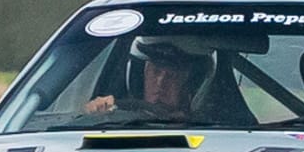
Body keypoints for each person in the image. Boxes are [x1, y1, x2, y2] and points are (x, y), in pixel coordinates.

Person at [85, 37, 213, 121]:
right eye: (155, 72)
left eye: (172, 76)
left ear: (192, 85)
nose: (160, 83)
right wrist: (97, 111)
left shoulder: (214, 128)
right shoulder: (118, 119)